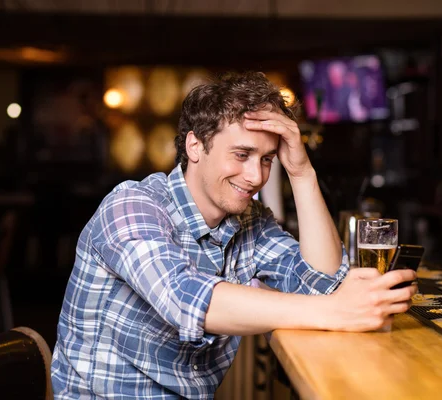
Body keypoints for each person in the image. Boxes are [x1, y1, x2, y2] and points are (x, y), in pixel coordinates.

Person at [50, 72, 417, 399]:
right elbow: (185, 300)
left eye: (266, 159)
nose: (256, 176)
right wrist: (336, 311)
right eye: (241, 154)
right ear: (195, 146)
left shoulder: (247, 221)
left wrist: (301, 171)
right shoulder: (132, 205)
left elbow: (320, 282)